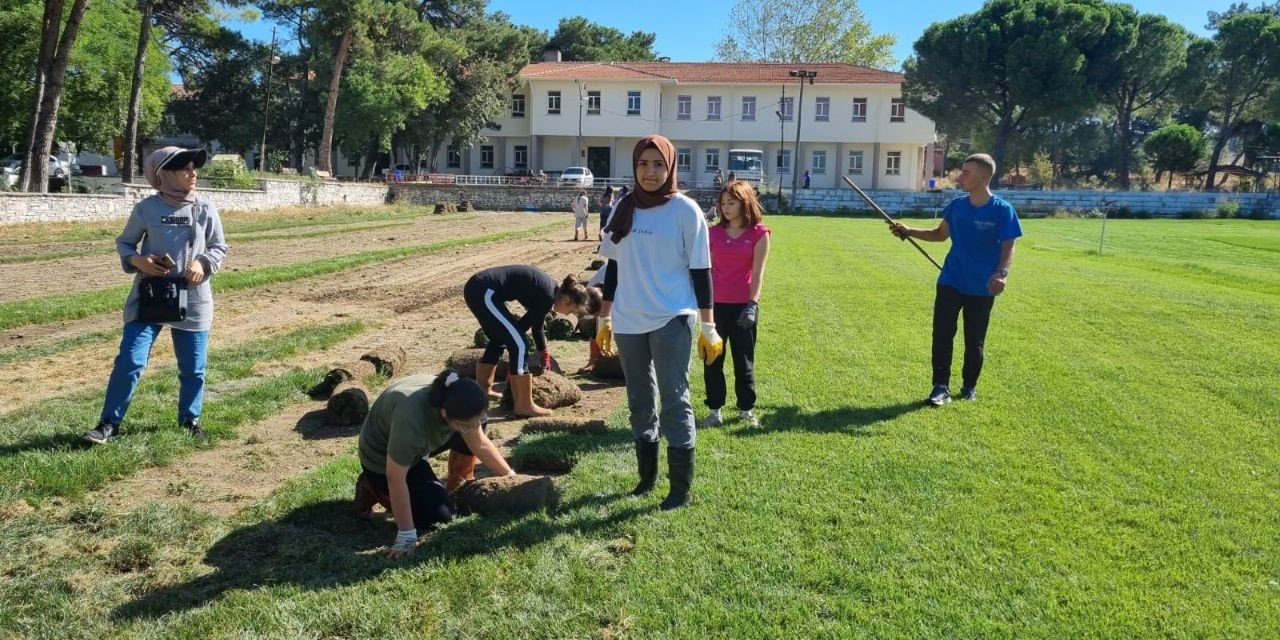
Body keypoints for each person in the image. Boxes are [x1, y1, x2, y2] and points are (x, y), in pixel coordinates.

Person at [596, 135, 723, 511]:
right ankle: (646, 478)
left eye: (658, 164)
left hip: (672, 316)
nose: (650, 172)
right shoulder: (623, 208)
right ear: (634, 167)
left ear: (670, 167)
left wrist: (708, 325)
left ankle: (679, 489)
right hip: (629, 320)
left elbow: (702, 272)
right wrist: (604, 317)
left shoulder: (685, 211)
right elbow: (614, 268)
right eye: (642, 164)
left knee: (673, 399)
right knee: (638, 401)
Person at [83, 147, 228, 445]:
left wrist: (203, 263)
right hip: (149, 296)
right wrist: (139, 262)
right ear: (164, 173)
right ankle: (109, 423)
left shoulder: (206, 208)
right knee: (130, 360)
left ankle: (190, 419)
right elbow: (125, 244)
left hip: (193, 299)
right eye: (185, 168)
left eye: (194, 168)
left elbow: (218, 247)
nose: (193, 173)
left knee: (194, 368)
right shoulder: (146, 209)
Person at [887, 153, 1022, 406]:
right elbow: (939, 234)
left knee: (975, 339)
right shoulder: (957, 206)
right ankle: (940, 387)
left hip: (982, 286)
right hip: (951, 279)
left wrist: (1001, 274)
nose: (961, 176)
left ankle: (969, 386)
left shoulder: (1003, 210)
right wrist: (908, 231)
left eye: (967, 172)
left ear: (984, 176)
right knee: (942, 334)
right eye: (962, 171)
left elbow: (1008, 247)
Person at [354, 370, 517, 558]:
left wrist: (511, 477)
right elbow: (395, 478)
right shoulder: (411, 419)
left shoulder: (460, 399)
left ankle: (457, 485)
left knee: (471, 427)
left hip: (424, 439)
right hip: (382, 458)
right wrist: (406, 535)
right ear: (444, 413)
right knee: (437, 516)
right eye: (466, 425)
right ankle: (371, 486)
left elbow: (479, 442)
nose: (473, 428)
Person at [464, 266, 601, 417]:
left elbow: (536, 325)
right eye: (573, 310)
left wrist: (543, 350)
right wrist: (517, 367)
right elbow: (522, 328)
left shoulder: (549, 292)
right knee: (520, 343)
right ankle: (523, 405)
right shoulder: (547, 295)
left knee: (500, 339)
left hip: (479, 288)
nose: (570, 314)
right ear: (567, 300)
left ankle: (483, 391)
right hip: (484, 291)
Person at [701, 181, 771, 428]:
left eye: (731, 202)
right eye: (722, 203)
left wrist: (752, 304)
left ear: (745, 203)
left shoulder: (760, 233)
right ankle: (714, 410)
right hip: (716, 307)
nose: (725, 207)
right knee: (712, 360)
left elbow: (758, 273)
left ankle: (746, 409)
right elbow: (706, 271)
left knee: (744, 362)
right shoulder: (712, 233)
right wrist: (704, 307)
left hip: (744, 307)